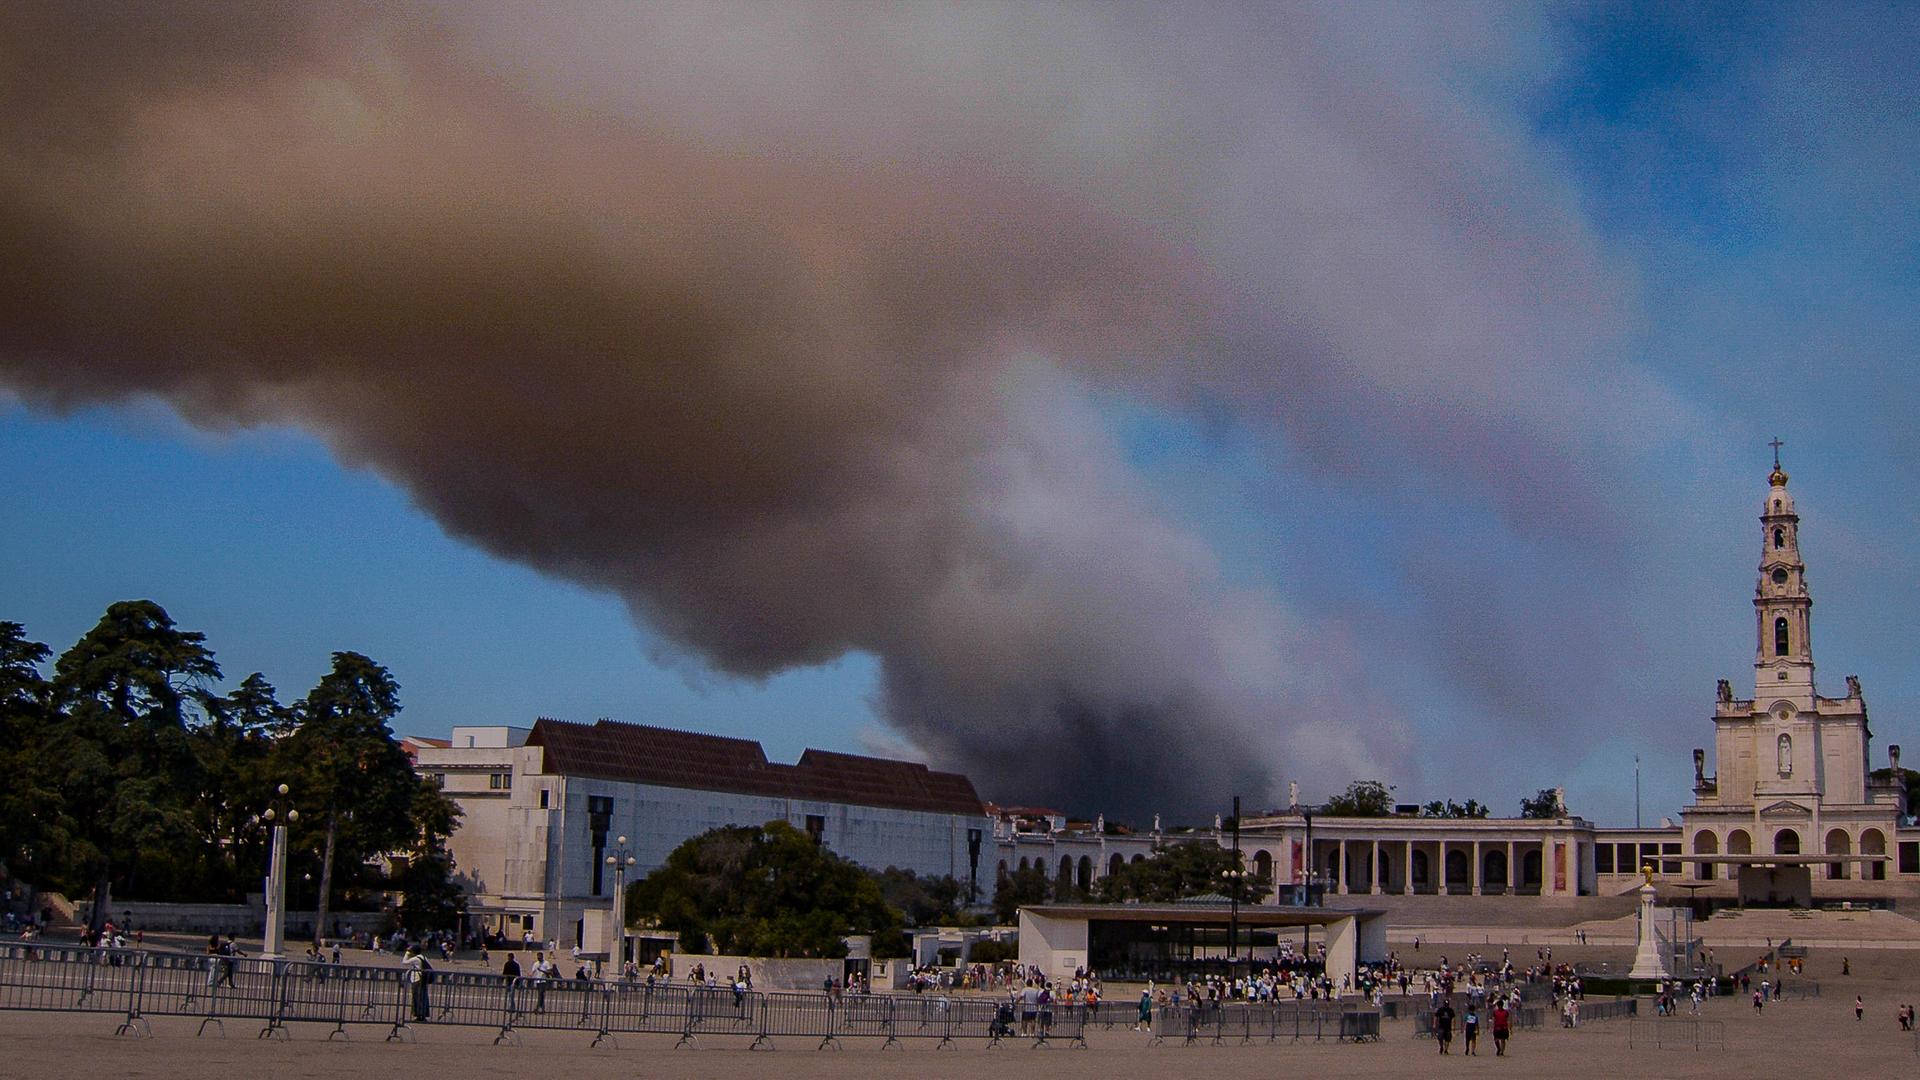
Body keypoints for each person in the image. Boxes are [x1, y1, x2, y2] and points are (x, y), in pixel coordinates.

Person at [402, 947, 432, 1022]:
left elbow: (404, 962)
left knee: (417, 998)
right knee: (423, 997)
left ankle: (419, 1016)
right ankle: (423, 1015)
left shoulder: (415, 958)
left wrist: (407, 953)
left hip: (417, 979)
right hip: (423, 979)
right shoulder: (424, 957)